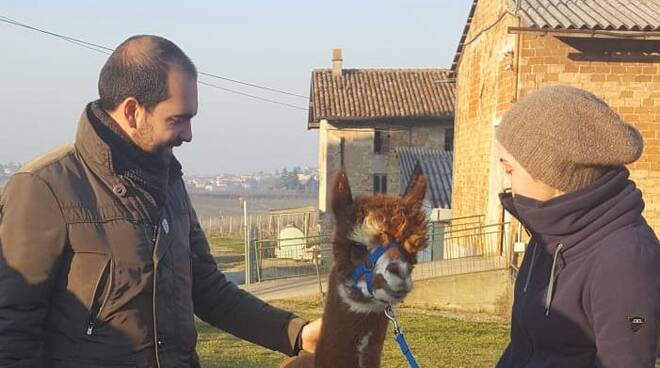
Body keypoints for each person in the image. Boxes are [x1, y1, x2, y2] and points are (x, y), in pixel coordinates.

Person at [0, 35, 320, 368]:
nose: (188, 134)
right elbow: (12, 328)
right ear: (132, 111)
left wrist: (296, 333)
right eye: (177, 119)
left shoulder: (169, 182)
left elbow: (208, 289)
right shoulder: (43, 188)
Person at [494, 85, 659, 367]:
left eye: (510, 170)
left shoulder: (625, 260)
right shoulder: (546, 238)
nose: (505, 183)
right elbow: (525, 347)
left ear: (554, 174)